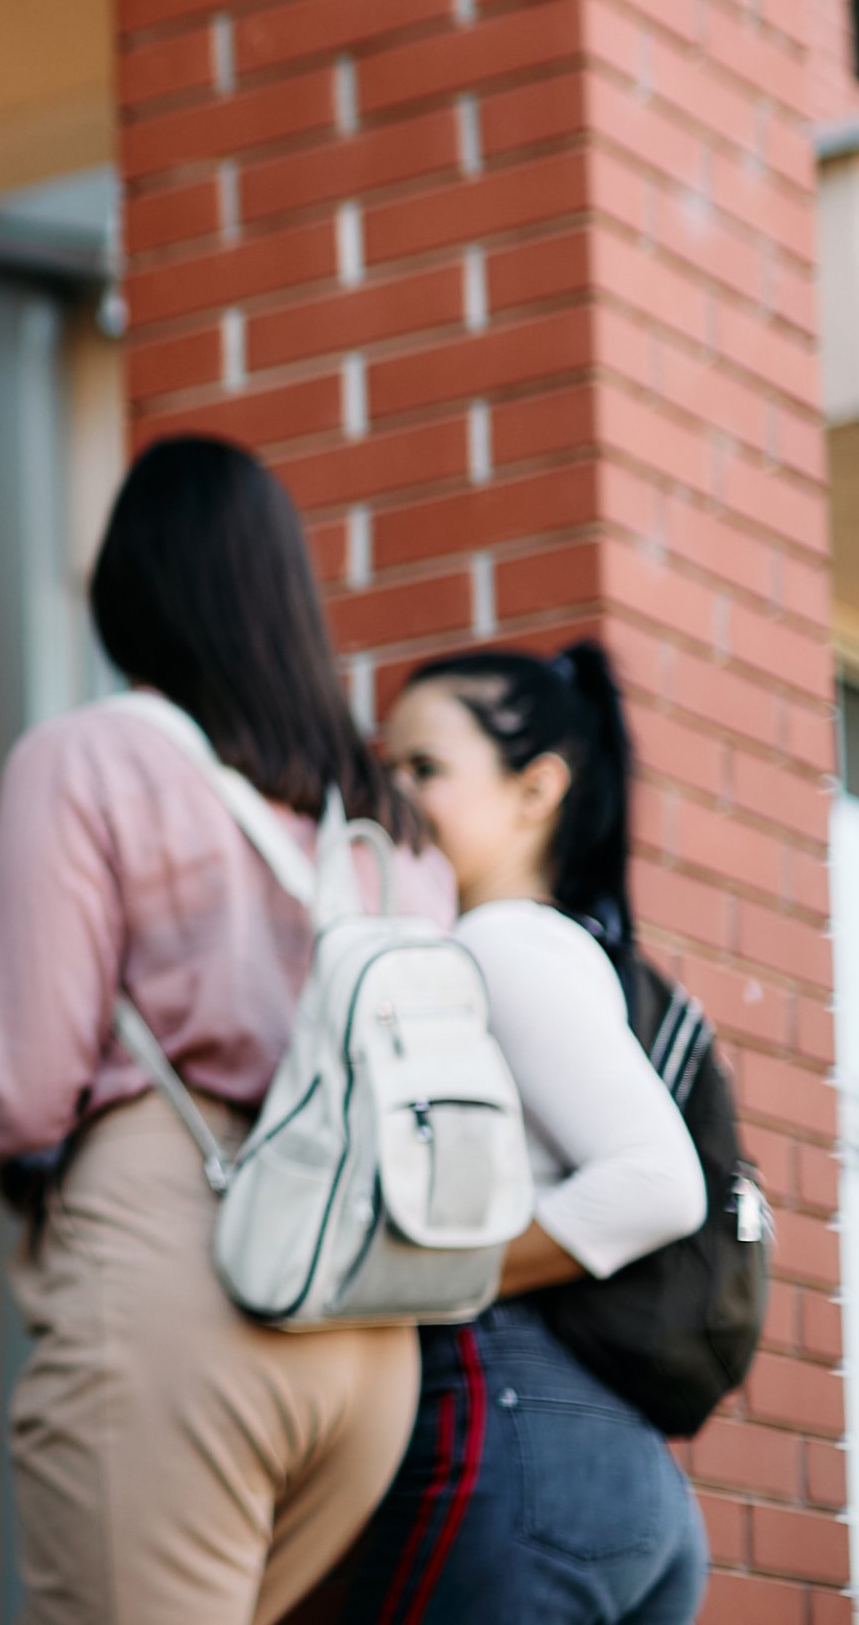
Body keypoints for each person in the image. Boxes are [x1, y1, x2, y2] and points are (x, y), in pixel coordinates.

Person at [0, 433, 456, 1625]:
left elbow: (21, 1089)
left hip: (185, 1270)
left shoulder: (86, 757)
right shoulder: (389, 821)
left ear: (129, 592)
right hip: (373, 1324)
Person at [336, 642, 708, 1625]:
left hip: (513, 1449)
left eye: (424, 766)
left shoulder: (495, 942)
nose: (392, 791)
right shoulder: (552, 947)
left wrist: (427, 1276)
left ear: (537, 786)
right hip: (624, 1475)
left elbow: (656, 1179)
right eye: (387, 765)